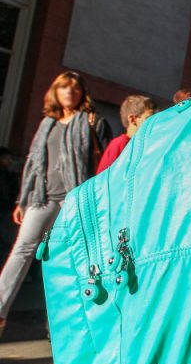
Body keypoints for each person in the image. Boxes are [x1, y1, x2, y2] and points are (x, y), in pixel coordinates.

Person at [0, 72, 110, 333]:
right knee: (22, 249)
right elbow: (33, 163)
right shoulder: (46, 123)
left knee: (68, 258)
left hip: (73, 199)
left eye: (74, 88)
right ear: (55, 92)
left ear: (81, 93)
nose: (69, 93)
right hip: (42, 197)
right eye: (64, 88)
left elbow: (103, 164)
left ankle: (60, 326)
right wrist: (22, 200)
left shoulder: (92, 121)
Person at [97, 95, 158, 173]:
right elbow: (105, 179)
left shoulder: (147, 145)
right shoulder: (120, 144)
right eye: (149, 118)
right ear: (132, 119)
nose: (155, 123)